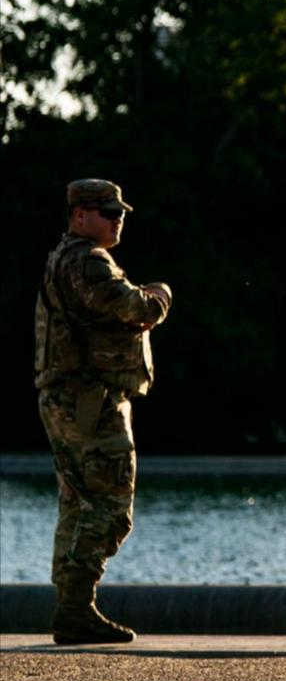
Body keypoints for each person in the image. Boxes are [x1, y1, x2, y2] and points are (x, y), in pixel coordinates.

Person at [33, 179, 172, 645]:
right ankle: (75, 608)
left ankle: (69, 607)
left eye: (120, 213)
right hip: (90, 400)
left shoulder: (63, 258)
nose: (118, 219)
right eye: (108, 212)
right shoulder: (89, 262)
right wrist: (160, 296)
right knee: (111, 505)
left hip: (68, 398)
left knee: (77, 503)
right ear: (79, 215)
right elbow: (135, 307)